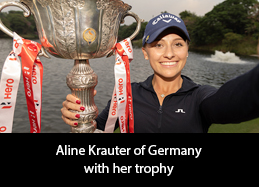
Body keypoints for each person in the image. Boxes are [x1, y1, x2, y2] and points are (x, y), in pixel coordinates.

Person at [61, 13, 259, 133]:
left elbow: (234, 102)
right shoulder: (126, 94)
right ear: (145, 53)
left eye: (178, 44)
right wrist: (80, 117)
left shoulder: (200, 97)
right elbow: (98, 128)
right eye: (159, 45)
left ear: (187, 51)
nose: (170, 54)